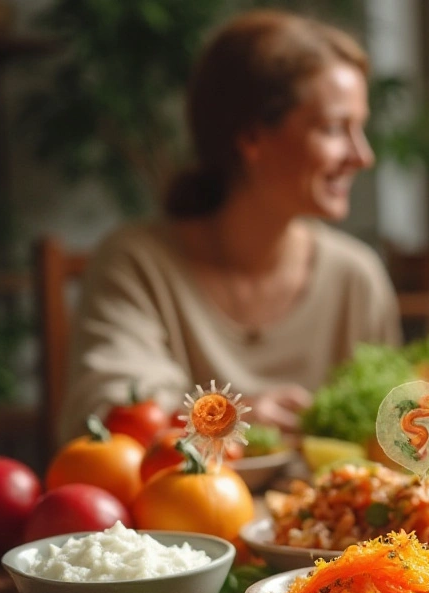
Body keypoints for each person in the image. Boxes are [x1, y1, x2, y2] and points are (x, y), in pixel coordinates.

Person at [58, 11, 400, 442]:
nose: (362, 156)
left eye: (360, 128)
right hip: (186, 508)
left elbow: (389, 439)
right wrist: (223, 416)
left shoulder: (357, 277)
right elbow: (105, 415)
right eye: (334, 129)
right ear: (252, 138)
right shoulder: (137, 262)